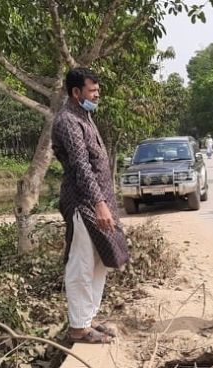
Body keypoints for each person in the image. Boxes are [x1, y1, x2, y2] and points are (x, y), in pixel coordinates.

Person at [51, 67, 129, 344]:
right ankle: (78, 329)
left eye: (97, 90)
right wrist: (98, 203)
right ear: (76, 92)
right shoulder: (68, 121)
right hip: (82, 203)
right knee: (81, 263)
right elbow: (81, 167)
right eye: (92, 91)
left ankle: (87, 318)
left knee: (99, 261)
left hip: (98, 201)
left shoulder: (84, 117)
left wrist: (105, 201)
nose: (97, 95)